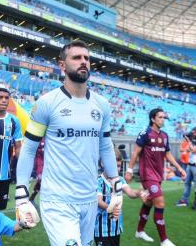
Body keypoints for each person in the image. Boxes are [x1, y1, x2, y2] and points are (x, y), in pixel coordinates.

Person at [15, 40, 119, 246]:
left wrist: (116, 185)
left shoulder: (102, 105)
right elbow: (29, 149)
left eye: (87, 58)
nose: (84, 62)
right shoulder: (46, 103)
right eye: (77, 58)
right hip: (57, 200)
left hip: (89, 198)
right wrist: (21, 193)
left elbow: (106, 146)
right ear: (62, 65)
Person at [124, 108, 186, 246]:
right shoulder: (145, 133)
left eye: (164, 117)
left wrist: (179, 167)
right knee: (160, 202)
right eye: (160, 117)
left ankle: (139, 231)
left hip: (158, 175)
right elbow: (135, 153)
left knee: (148, 203)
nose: (162, 119)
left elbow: (168, 154)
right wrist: (129, 170)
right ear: (153, 118)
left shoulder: (164, 135)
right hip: (147, 175)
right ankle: (164, 240)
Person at [95, 157, 148, 246]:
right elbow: (98, 201)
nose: (116, 169)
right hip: (101, 230)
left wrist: (139, 193)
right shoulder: (98, 181)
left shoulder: (120, 180)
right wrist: (110, 208)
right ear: (103, 164)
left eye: (119, 166)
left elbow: (130, 193)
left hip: (115, 229)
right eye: (113, 165)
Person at [175, 127, 196, 207]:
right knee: (187, 183)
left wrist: (189, 142)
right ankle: (184, 200)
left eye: (194, 133)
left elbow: (193, 150)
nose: (193, 134)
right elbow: (187, 149)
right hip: (190, 164)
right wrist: (189, 142)